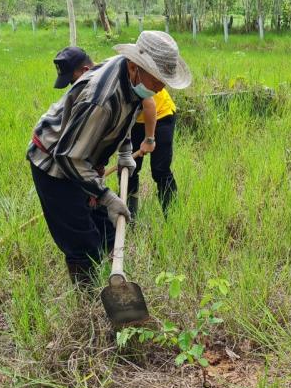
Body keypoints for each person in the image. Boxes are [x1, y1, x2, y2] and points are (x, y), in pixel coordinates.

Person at [27, 31, 192, 289]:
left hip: (82, 158)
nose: (162, 87)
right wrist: (106, 196)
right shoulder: (101, 99)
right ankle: (89, 298)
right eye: (158, 78)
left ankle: (113, 284)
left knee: (107, 232)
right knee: (82, 242)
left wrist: (125, 151)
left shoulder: (131, 77)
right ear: (135, 67)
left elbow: (123, 117)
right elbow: (68, 156)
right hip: (54, 163)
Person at [125, 85, 178, 218]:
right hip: (135, 120)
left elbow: (149, 103)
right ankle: (130, 218)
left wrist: (149, 139)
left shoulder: (125, 77)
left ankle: (172, 218)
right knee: (129, 169)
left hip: (160, 113)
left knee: (160, 170)